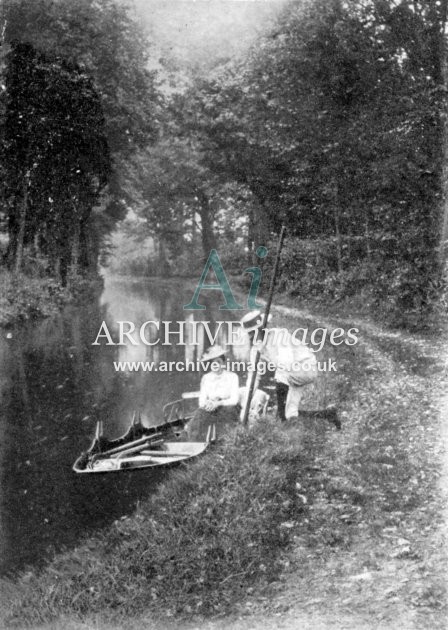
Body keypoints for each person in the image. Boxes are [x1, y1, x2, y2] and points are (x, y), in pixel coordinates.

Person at [240, 310, 340, 429]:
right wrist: (247, 403)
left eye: (253, 333)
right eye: (249, 334)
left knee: (280, 375)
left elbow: (286, 364)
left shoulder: (280, 336)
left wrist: (263, 350)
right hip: (291, 375)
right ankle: (328, 414)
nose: (251, 337)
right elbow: (253, 376)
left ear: (262, 328)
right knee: (288, 415)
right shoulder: (256, 349)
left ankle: (283, 418)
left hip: (306, 368)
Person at [187, 344, 240, 441]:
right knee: (195, 423)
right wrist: (208, 404)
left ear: (223, 363)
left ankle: (225, 447)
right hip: (211, 407)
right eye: (212, 363)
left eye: (218, 362)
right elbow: (202, 400)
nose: (215, 365)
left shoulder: (232, 377)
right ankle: (196, 448)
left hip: (227, 407)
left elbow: (234, 400)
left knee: (226, 422)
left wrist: (218, 403)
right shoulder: (206, 378)